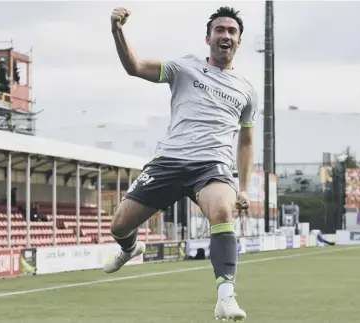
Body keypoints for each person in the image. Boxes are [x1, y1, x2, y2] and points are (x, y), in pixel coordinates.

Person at [105, 6, 257, 321]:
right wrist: (117, 31)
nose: (225, 35)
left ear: (238, 42)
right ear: (208, 38)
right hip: (170, 161)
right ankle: (131, 248)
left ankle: (226, 298)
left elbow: (246, 142)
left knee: (222, 211)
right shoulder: (185, 68)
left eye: (232, 31)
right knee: (119, 225)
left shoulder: (247, 91)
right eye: (220, 30)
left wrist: (243, 188)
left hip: (212, 166)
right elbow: (134, 67)